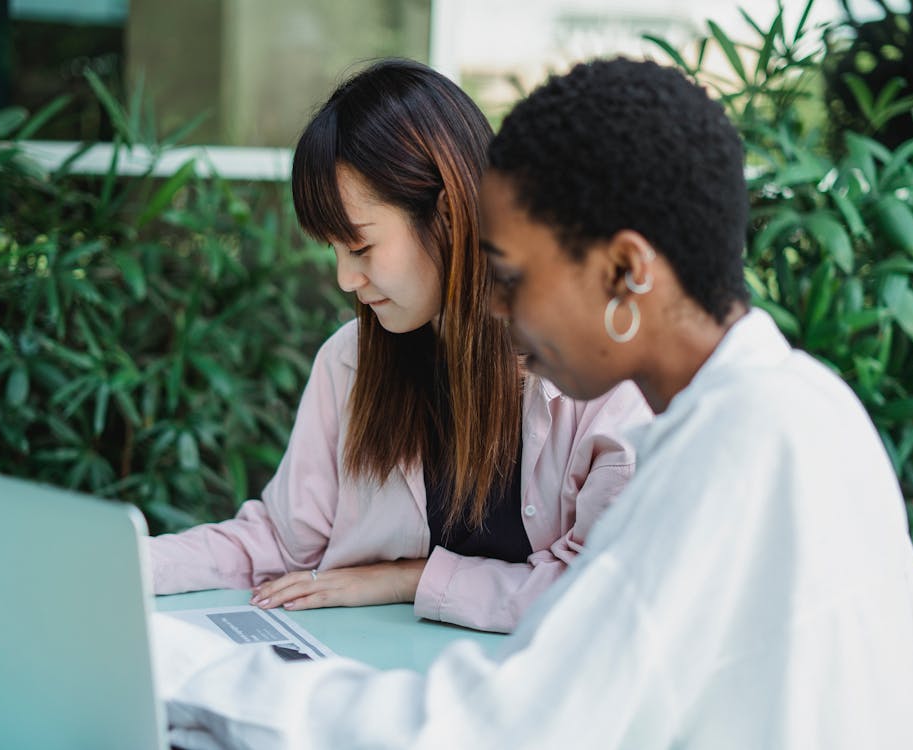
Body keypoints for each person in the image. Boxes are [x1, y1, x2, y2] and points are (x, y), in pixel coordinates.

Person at [151, 57, 913, 749]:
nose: (494, 307)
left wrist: (195, 672)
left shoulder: (736, 453)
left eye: (514, 277)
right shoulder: (802, 411)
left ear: (626, 270)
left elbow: (498, 730)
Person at [149, 59, 651, 634]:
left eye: (360, 247)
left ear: (448, 217)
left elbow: (602, 595)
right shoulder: (351, 361)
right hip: (379, 681)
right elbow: (283, 541)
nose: (344, 279)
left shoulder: (594, 377)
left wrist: (414, 578)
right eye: (332, 250)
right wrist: (131, 564)